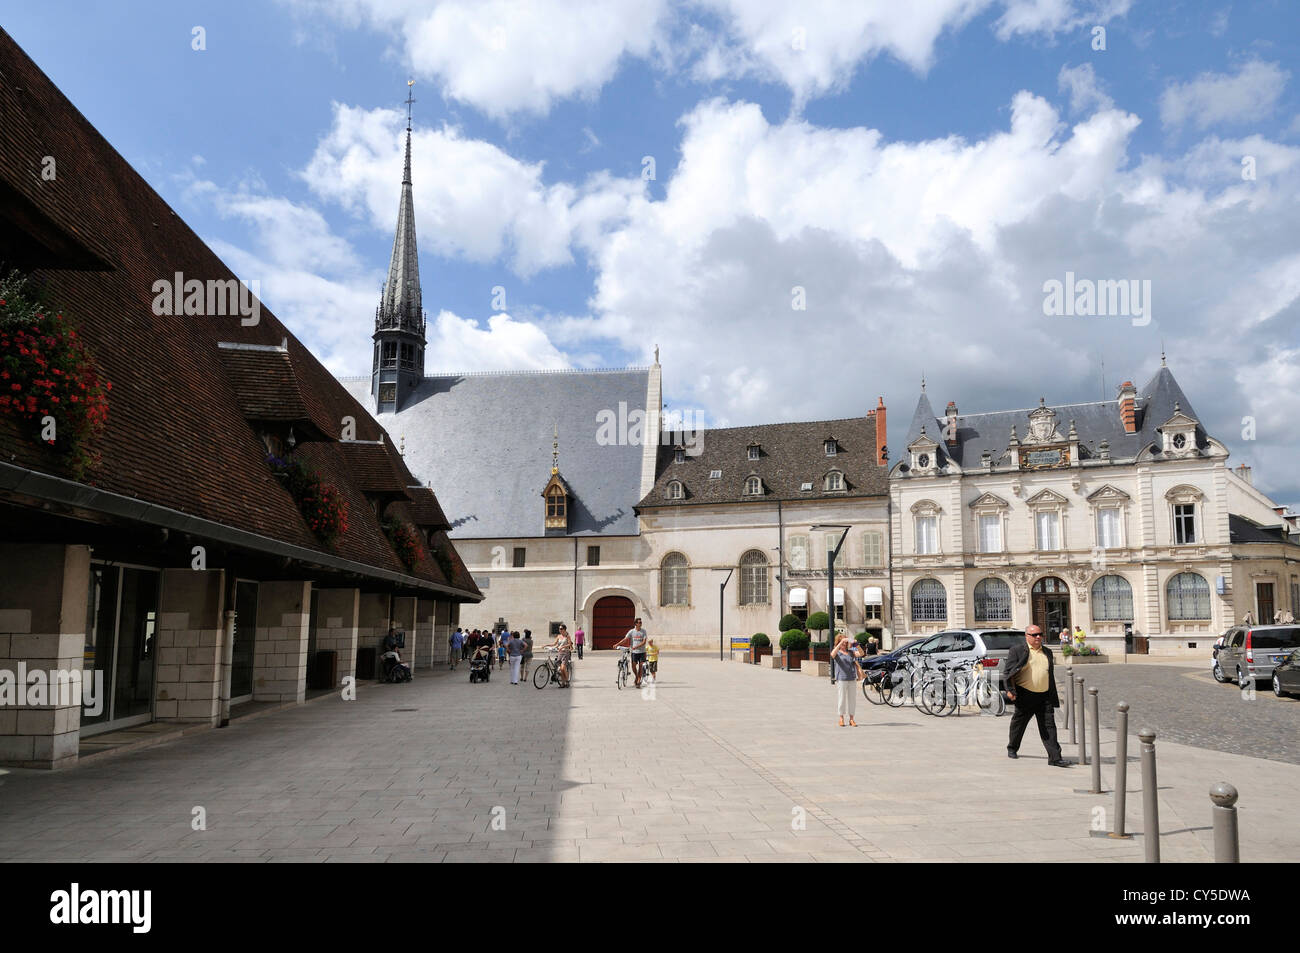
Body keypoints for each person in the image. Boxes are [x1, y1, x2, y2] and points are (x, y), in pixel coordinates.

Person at [1004, 625, 1071, 767]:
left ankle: (1055, 758)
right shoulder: (1017, 650)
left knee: (1049, 727)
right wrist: (1010, 690)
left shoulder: (1047, 652)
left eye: (1040, 634)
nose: (1038, 637)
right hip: (1025, 694)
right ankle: (1012, 747)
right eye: (1034, 635)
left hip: (1044, 696)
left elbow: (1049, 674)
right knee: (1019, 724)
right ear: (1027, 636)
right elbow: (1008, 672)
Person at [830, 632, 863, 726]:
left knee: (852, 699)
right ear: (839, 643)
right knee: (842, 698)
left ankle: (852, 719)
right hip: (841, 678)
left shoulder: (851, 652)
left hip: (852, 678)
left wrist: (856, 644)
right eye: (843, 643)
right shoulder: (837, 652)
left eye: (845, 642)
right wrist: (841, 643)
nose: (845, 644)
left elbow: (861, 653)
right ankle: (841, 718)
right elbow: (832, 654)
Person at [613, 617, 649, 687]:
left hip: (642, 652)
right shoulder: (631, 631)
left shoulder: (643, 631)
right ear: (635, 624)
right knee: (633, 666)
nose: (640, 624)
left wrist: (636, 646)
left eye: (641, 622)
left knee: (641, 666)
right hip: (634, 652)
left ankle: (638, 679)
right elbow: (625, 639)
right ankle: (637, 676)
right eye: (639, 622)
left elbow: (644, 642)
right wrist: (617, 644)